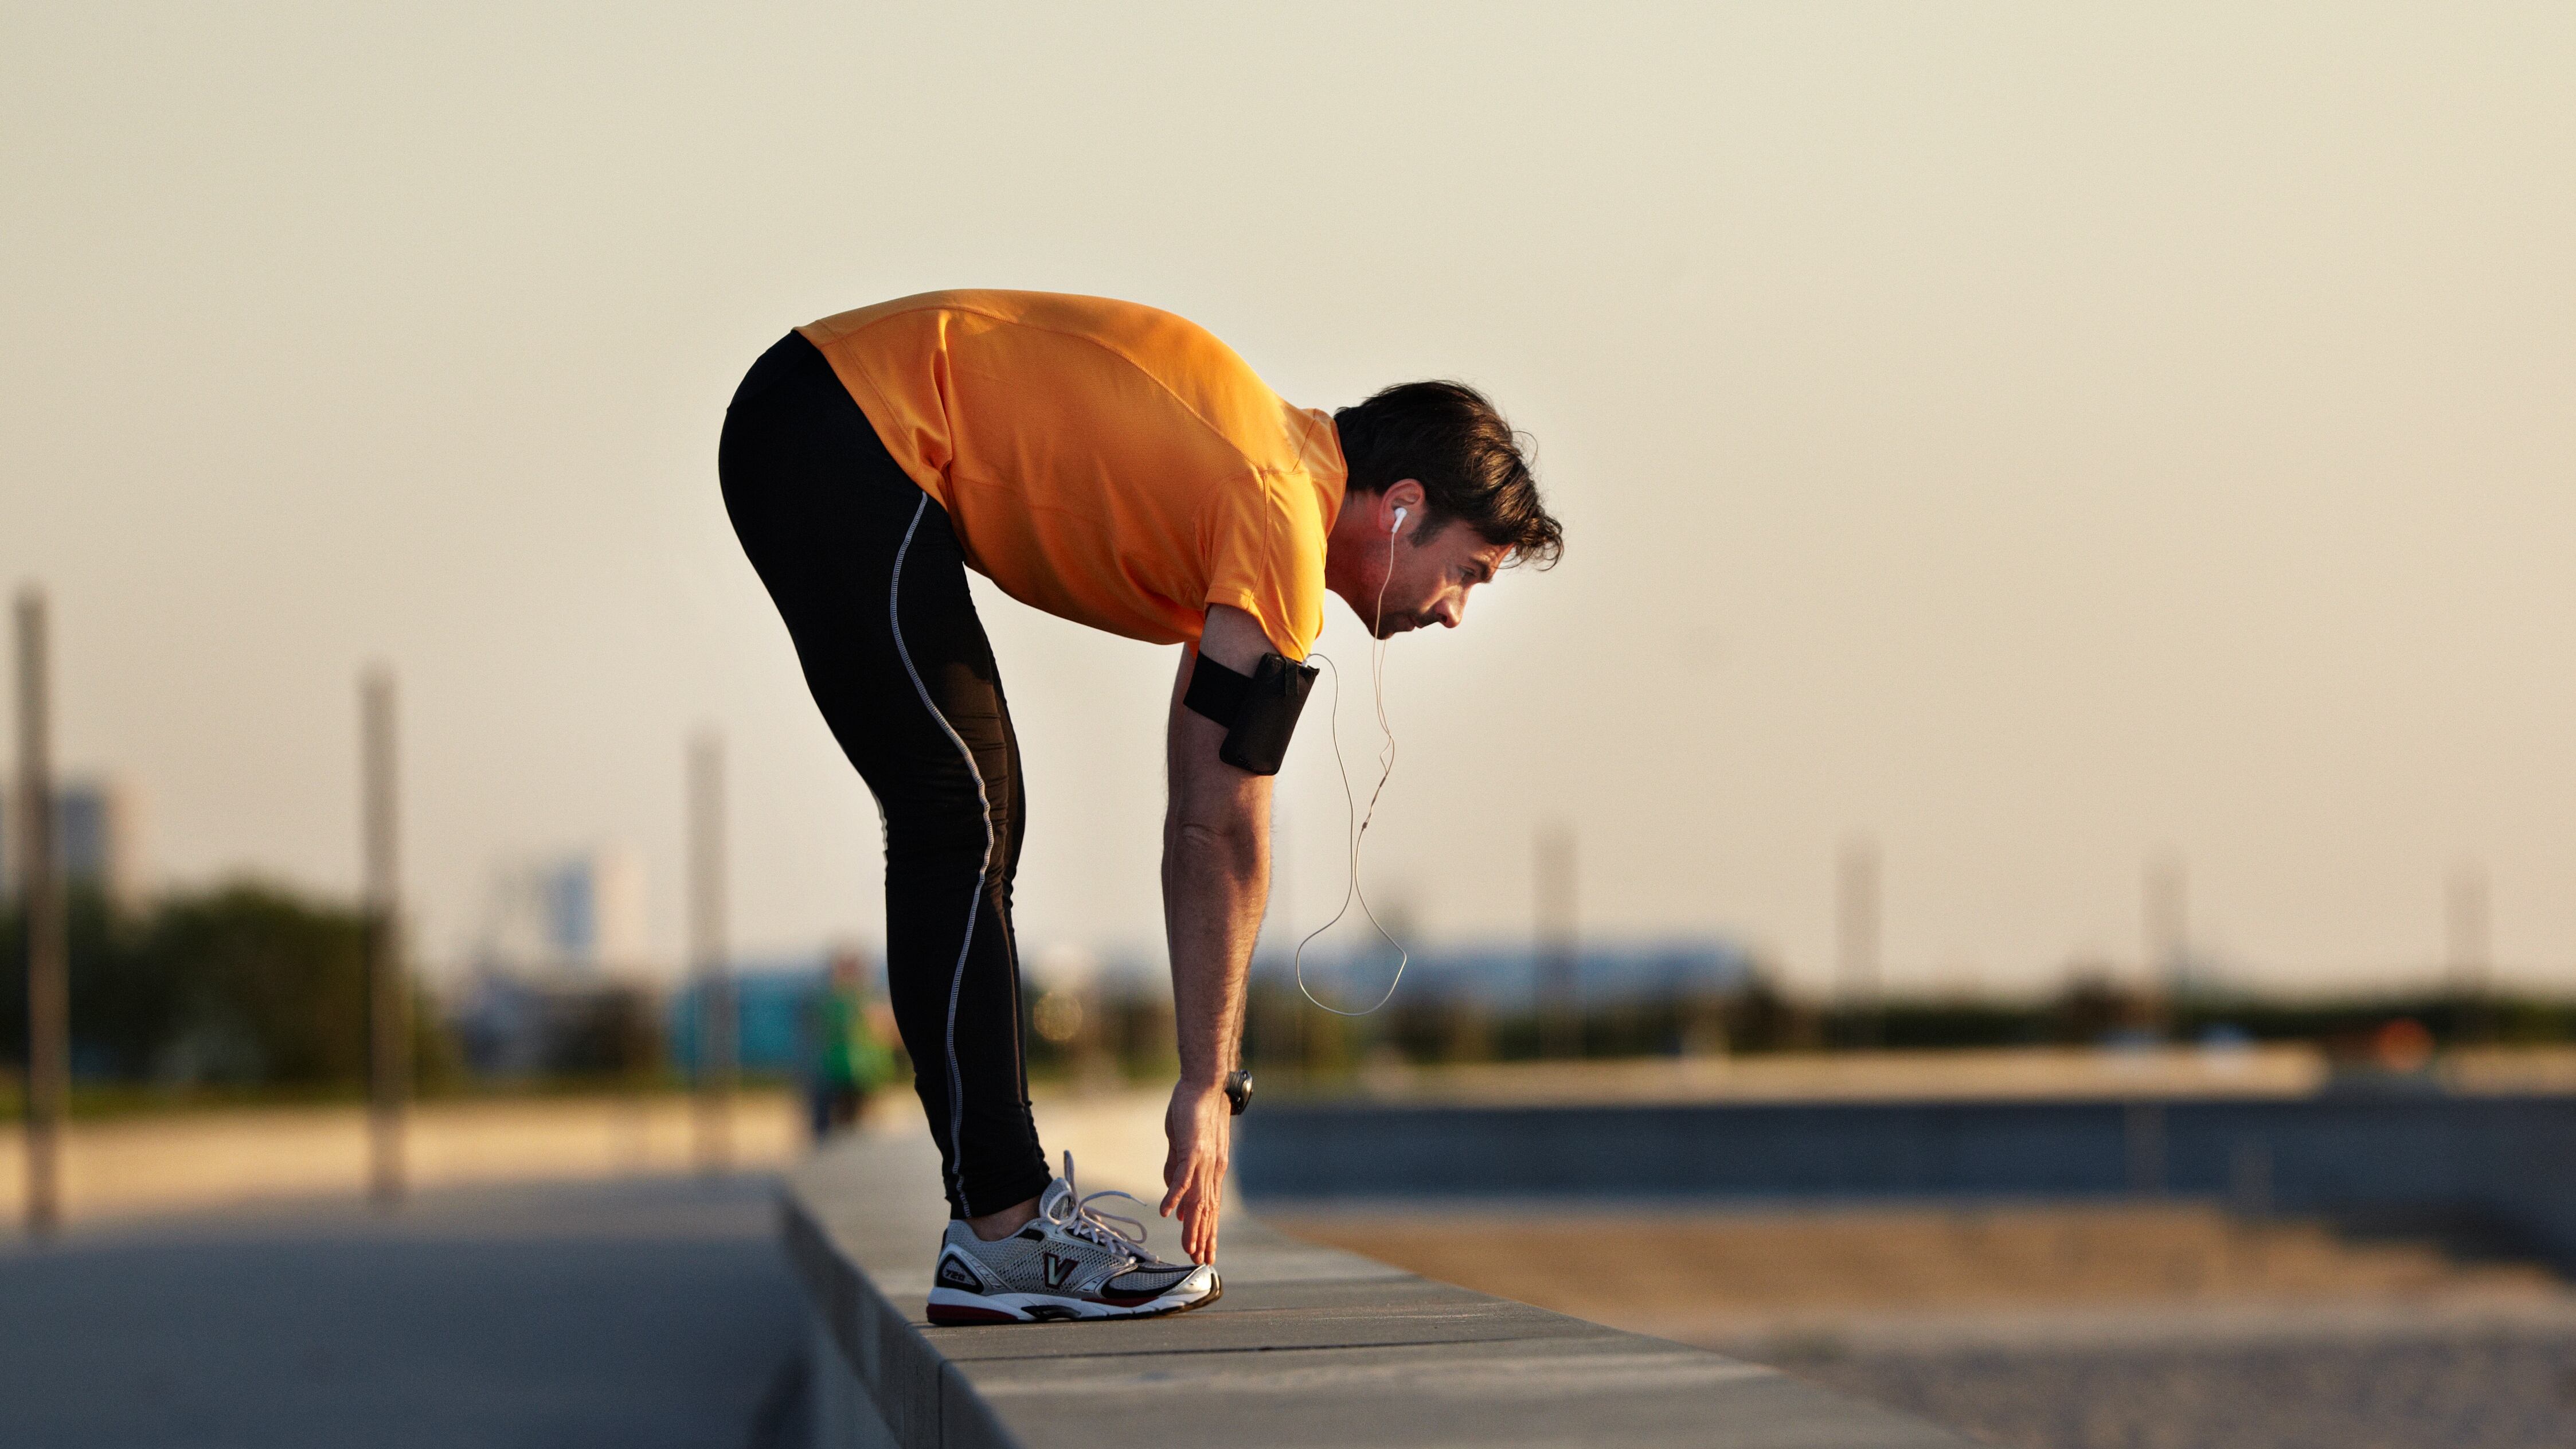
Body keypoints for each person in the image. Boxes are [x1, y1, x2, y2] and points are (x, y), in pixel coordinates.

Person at [718, 291, 1562, 1324]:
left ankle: (1000, 1221)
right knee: (962, 812)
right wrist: (1207, 1085)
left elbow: (1194, 812)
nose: (1455, 611)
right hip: (840, 423)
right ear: (1399, 507)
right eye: (1464, 572)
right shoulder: (1276, 509)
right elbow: (1222, 827)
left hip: (825, 421)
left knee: (976, 814)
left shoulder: (1269, 488)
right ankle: (1000, 1229)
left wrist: (1208, 1074)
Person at [807, 948, 895, 1141]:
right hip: (844, 1072)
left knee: (847, 1127)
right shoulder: (855, 1000)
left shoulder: (840, 1000)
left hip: (853, 1073)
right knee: (845, 1127)